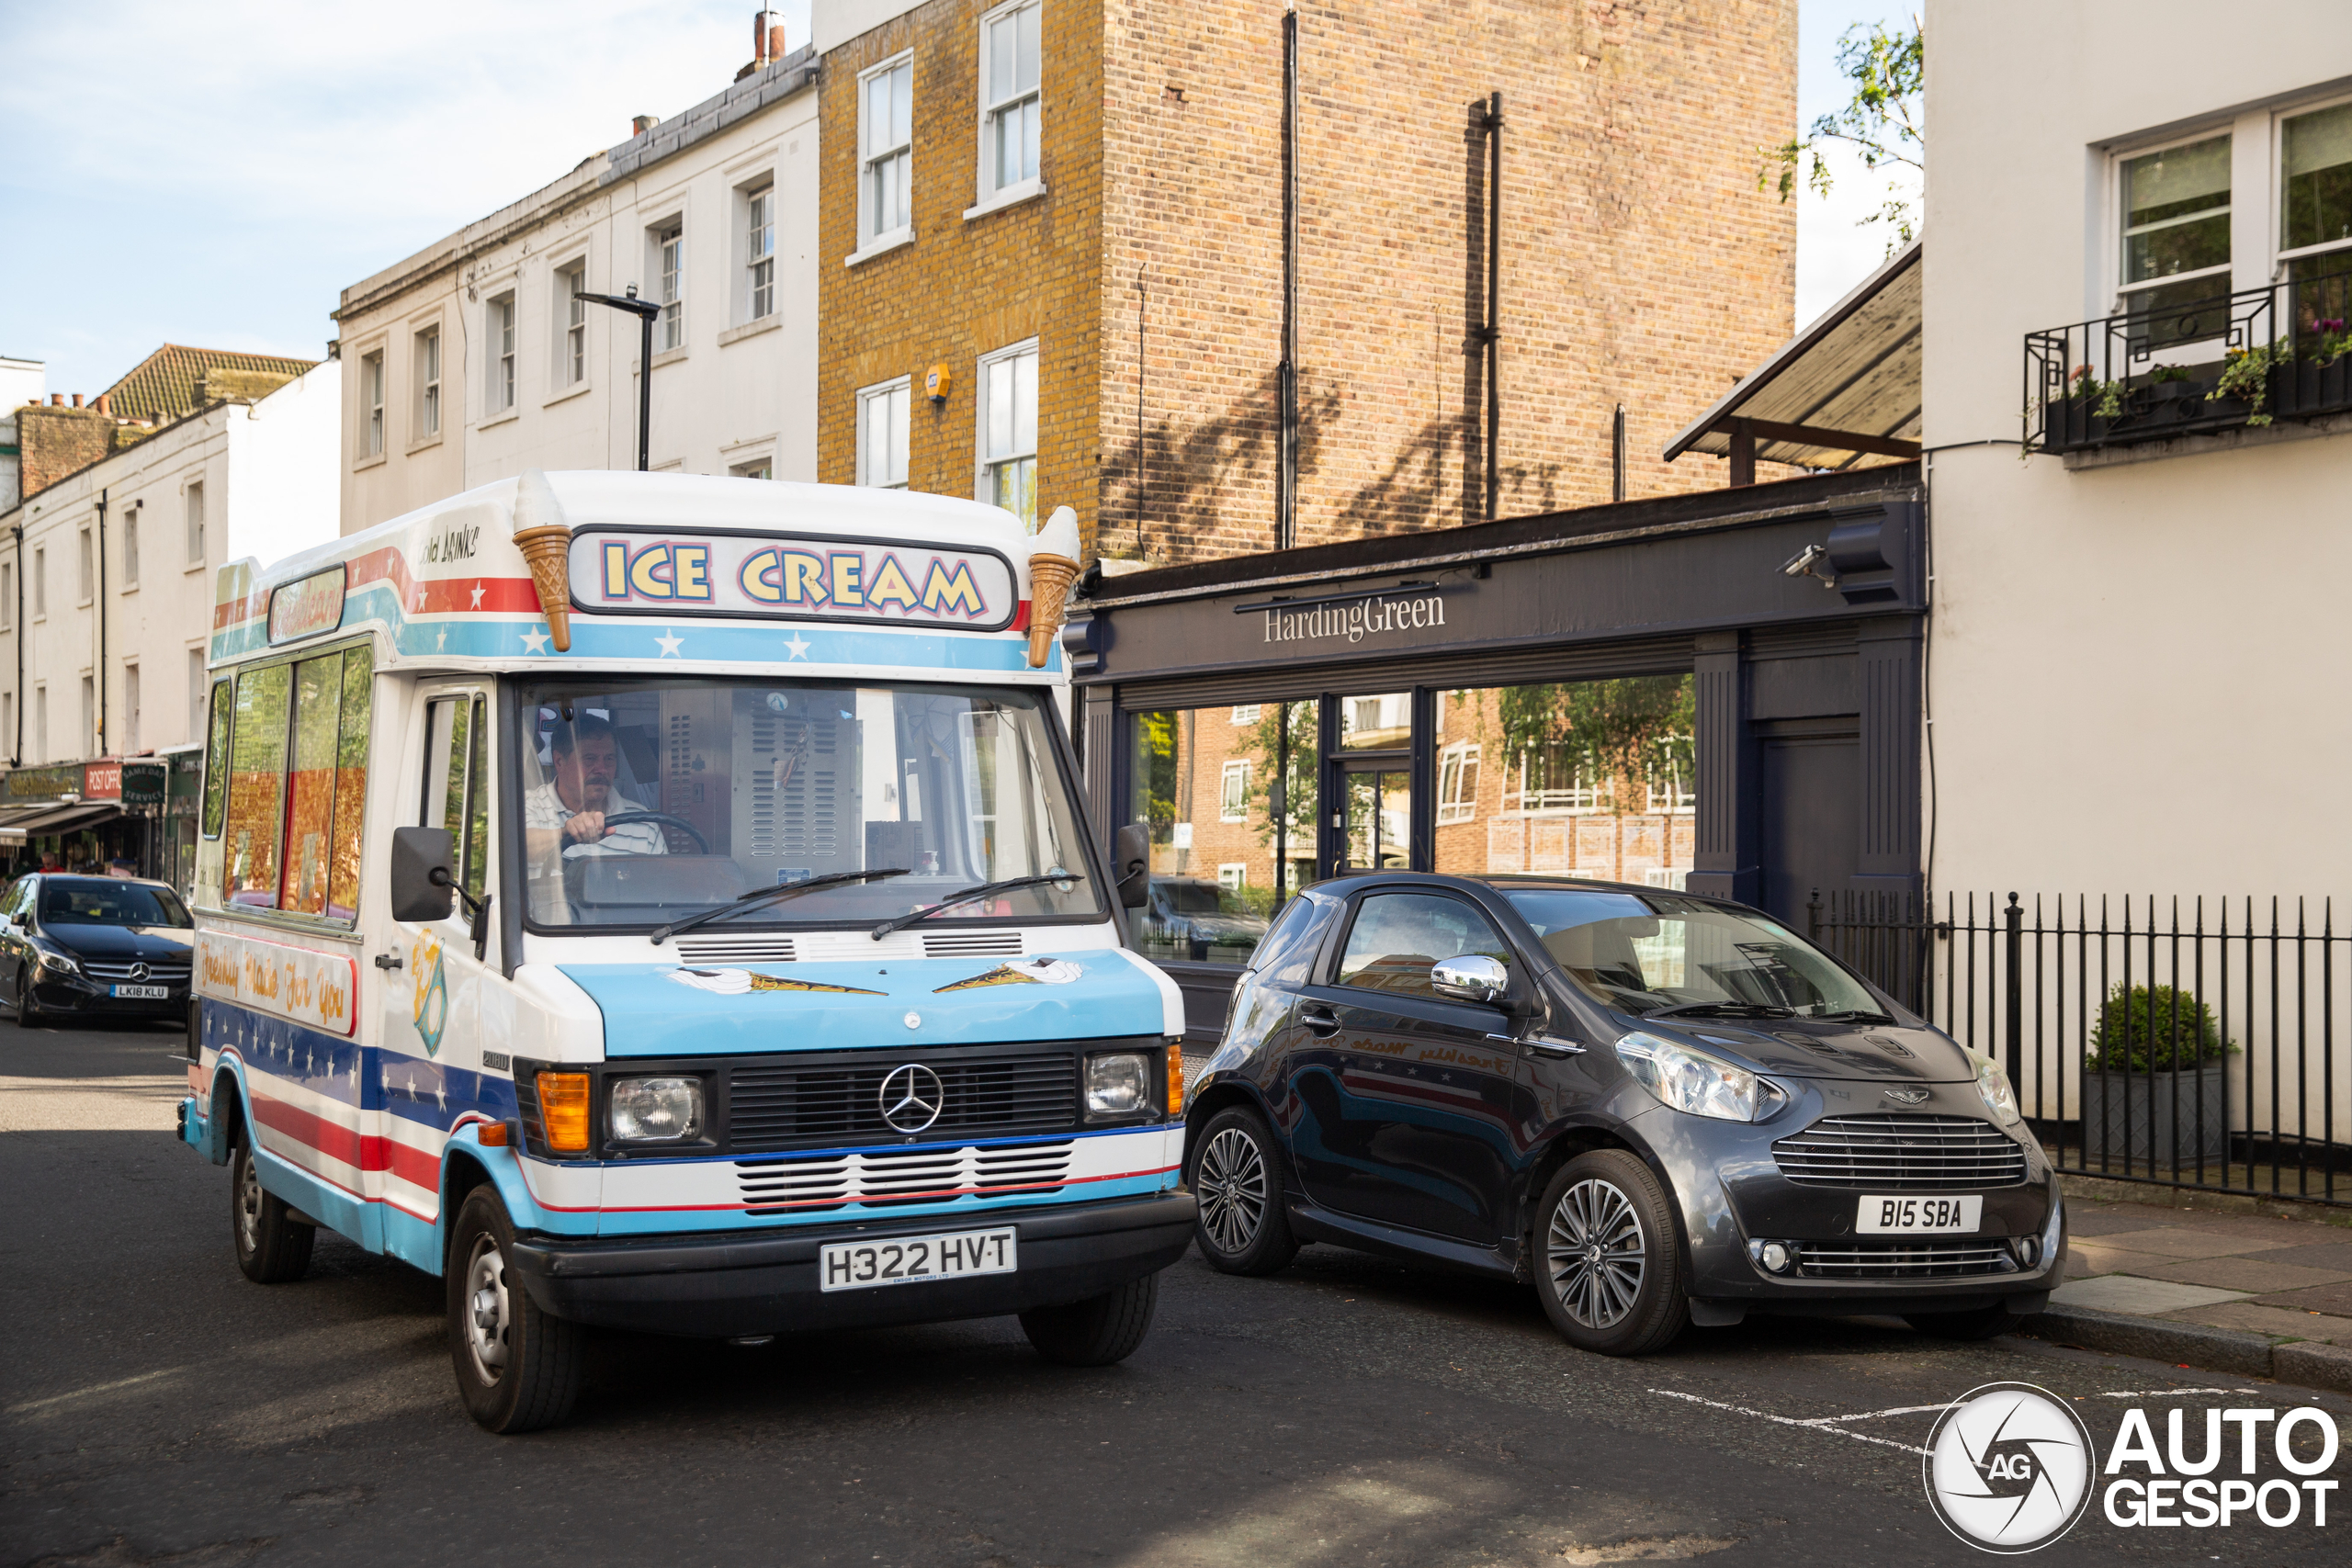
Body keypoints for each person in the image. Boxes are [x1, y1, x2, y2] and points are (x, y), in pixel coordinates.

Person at [522, 714, 668, 865]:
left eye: (609, 758)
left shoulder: (643, 823)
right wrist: (565, 833)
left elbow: (661, 884)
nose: (602, 769)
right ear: (559, 762)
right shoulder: (527, 805)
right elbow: (513, 848)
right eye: (590, 758)